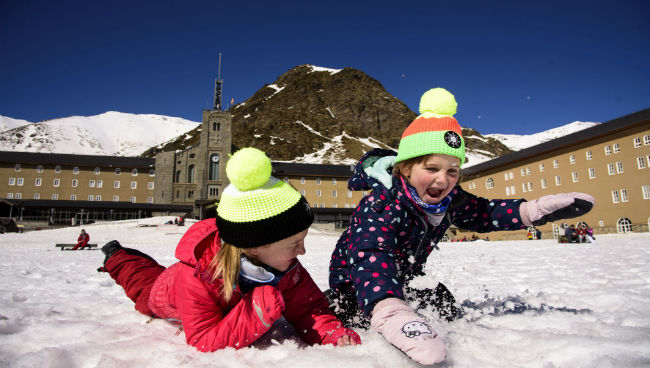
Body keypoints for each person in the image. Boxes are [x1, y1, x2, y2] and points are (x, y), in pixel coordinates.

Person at [326, 88, 595, 365]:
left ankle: (399, 310)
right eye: (431, 169)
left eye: (452, 171)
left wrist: (532, 210)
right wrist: (390, 309)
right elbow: (371, 254)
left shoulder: (450, 201)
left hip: (405, 280)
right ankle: (376, 315)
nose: (442, 180)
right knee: (347, 314)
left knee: (441, 302)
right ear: (405, 168)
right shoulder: (382, 203)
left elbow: (485, 213)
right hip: (357, 283)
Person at [98, 148, 361, 351]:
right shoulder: (199, 278)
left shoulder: (287, 268)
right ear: (255, 246)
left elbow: (309, 308)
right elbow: (202, 339)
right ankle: (117, 256)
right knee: (140, 282)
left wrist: (332, 333)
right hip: (165, 292)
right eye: (295, 243)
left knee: (149, 274)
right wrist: (254, 311)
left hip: (194, 284)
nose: (302, 251)